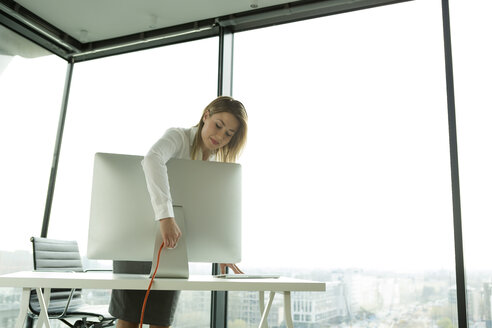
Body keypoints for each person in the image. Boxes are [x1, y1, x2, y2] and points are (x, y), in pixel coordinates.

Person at [109, 96, 248, 328]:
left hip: (172, 247)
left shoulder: (212, 162)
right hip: (137, 240)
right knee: (130, 320)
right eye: (218, 125)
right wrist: (166, 216)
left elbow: (203, 211)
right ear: (206, 116)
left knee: (161, 320)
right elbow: (152, 159)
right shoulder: (178, 137)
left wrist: (220, 249)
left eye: (228, 134)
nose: (220, 136)